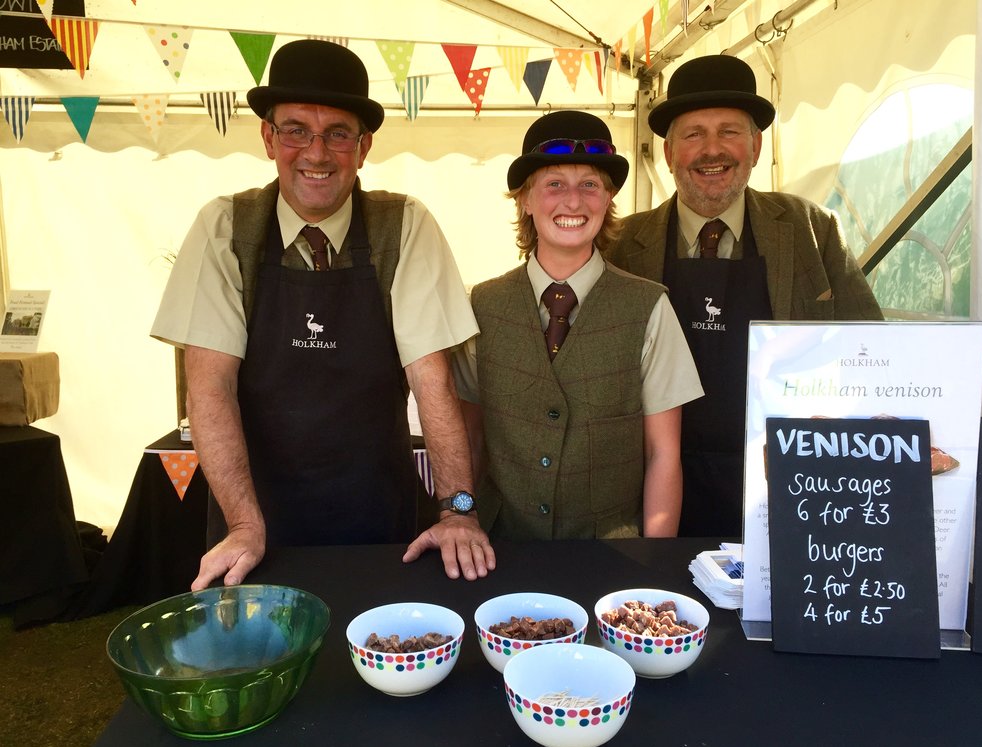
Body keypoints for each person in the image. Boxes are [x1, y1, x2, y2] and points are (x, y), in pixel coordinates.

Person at [151, 39, 494, 588]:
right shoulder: (225, 229)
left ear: (364, 147)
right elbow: (209, 385)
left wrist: (457, 509)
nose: (316, 153)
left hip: (379, 513)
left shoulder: (403, 226)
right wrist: (243, 524)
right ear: (268, 137)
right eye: (295, 130)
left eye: (337, 133)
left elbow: (433, 381)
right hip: (254, 519)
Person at [605, 54, 884, 538]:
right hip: (646, 486)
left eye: (729, 132)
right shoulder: (621, 245)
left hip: (784, 486)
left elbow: (872, 350)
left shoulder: (812, 231)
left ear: (755, 146)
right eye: (693, 134)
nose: (712, 151)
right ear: (669, 153)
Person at [452, 111, 704, 539]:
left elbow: (663, 452)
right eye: (554, 184)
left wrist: (653, 562)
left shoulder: (650, 306)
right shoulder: (481, 305)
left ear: (607, 200)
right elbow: (469, 441)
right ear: (525, 201)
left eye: (590, 184)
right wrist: (462, 518)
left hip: (612, 555)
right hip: (501, 549)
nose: (573, 202)